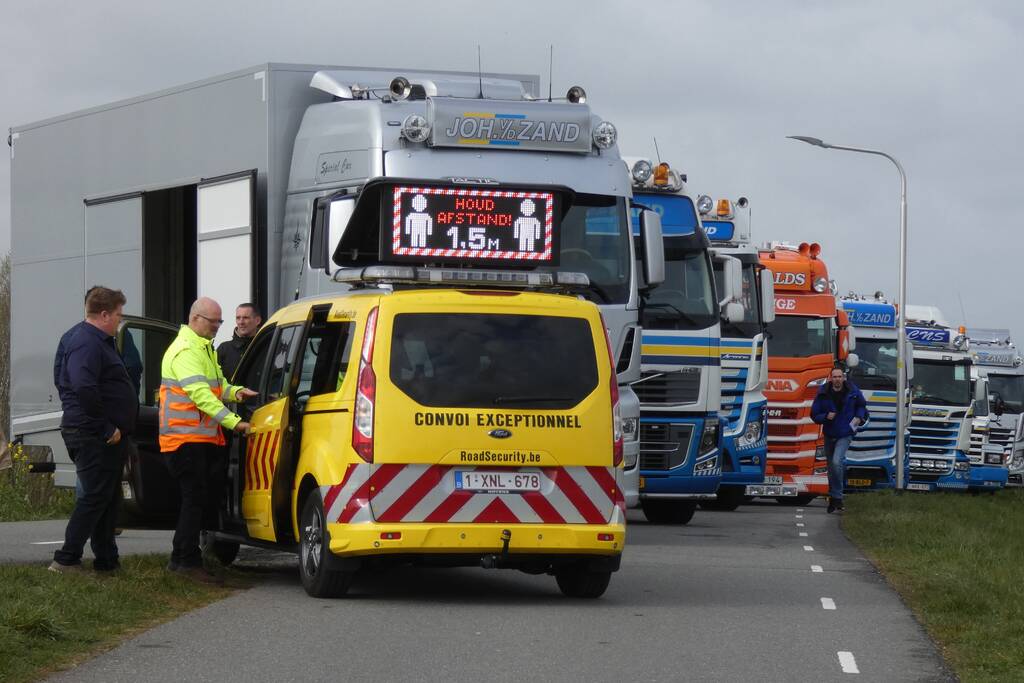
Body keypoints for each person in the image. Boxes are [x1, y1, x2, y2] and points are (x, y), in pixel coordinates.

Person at [160, 297, 257, 583]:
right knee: (194, 500)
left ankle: (182, 559)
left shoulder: (203, 348)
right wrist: (236, 423)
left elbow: (217, 387)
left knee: (197, 500)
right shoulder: (187, 350)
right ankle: (186, 562)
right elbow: (201, 396)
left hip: (197, 440)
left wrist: (236, 392)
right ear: (196, 318)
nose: (217, 327)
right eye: (213, 322)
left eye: (219, 322)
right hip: (184, 440)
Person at [49, 287, 138, 574]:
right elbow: (83, 386)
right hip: (92, 432)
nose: (119, 322)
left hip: (99, 431)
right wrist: (106, 426)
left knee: (107, 496)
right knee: (94, 496)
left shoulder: (99, 340)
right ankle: (66, 558)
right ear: (103, 314)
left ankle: (107, 561)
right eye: (118, 316)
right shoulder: (86, 342)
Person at [811, 365, 869, 514]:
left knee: (837, 462)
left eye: (839, 377)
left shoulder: (853, 391)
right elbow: (814, 414)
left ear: (843, 377)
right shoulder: (823, 392)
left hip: (845, 433)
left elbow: (862, 406)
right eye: (834, 377)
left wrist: (859, 417)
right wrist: (825, 417)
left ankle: (838, 497)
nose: (837, 379)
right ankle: (834, 499)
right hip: (830, 433)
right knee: (832, 468)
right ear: (831, 378)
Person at [216, 303, 263, 380]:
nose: (241, 322)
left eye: (246, 318)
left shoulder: (267, 345)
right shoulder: (224, 349)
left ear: (257, 320)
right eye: (238, 318)